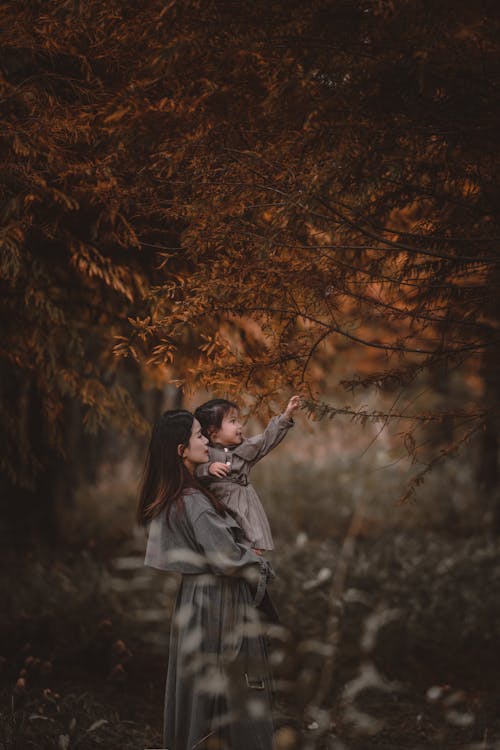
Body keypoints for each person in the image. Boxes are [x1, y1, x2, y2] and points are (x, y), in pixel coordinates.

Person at [138, 409, 275, 750]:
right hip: (218, 601)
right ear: (181, 450)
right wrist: (259, 565)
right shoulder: (194, 501)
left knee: (204, 685)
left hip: (197, 599)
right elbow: (227, 559)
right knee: (231, 684)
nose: (206, 441)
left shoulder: (181, 492)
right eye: (200, 436)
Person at [193, 396, 301, 552]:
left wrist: (286, 415)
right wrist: (208, 468)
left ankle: (252, 557)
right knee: (224, 539)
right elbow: (191, 471)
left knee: (249, 537)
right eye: (232, 421)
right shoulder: (204, 452)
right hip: (218, 508)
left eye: (238, 421)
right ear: (213, 431)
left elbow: (266, 439)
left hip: (244, 505)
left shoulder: (245, 449)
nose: (239, 425)